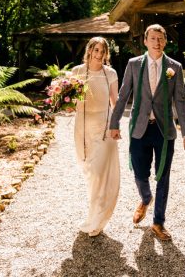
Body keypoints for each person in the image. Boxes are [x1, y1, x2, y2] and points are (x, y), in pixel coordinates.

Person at [109, 24, 185, 241]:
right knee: (139, 172)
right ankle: (146, 198)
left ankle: (158, 222)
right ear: (145, 41)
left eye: (161, 38)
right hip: (139, 127)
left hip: (164, 130)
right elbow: (123, 94)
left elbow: (181, 101)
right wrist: (114, 123)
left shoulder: (175, 67)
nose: (157, 42)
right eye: (153, 38)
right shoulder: (134, 64)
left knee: (163, 176)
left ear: (165, 42)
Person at [71, 37, 120, 237]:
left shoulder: (111, 74)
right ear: (89, 51)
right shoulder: (77, 72)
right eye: (96, 50)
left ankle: (97, 219)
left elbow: (115, 103)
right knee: (90, 173)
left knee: (100, 174)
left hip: (105, 129)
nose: (99, 55)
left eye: (103, 51)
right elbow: (70, 99)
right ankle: (94, 214)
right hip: (83, 127)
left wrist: (116, 126)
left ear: (106, 54)